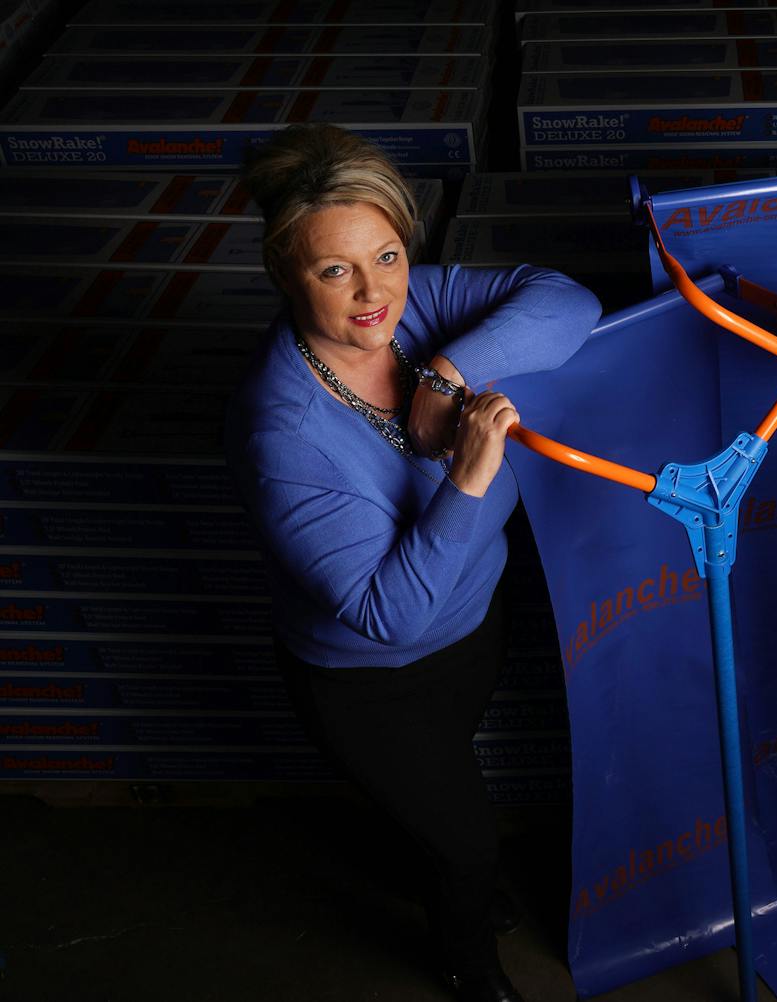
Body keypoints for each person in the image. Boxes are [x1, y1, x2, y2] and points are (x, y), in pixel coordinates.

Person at [225, 124, 601, 1002]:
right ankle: (467, 964)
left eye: (387, 255)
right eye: (334, 270)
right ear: (285, 274)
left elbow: (568, 302)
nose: (372, 295)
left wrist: (445, 371)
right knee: (469, 839)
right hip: (367, 682)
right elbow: (386, 613)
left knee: (446, 797)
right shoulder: (279, 433)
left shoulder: (413, 313)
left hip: (472, 627)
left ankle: (443, 864)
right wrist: (468, 478)